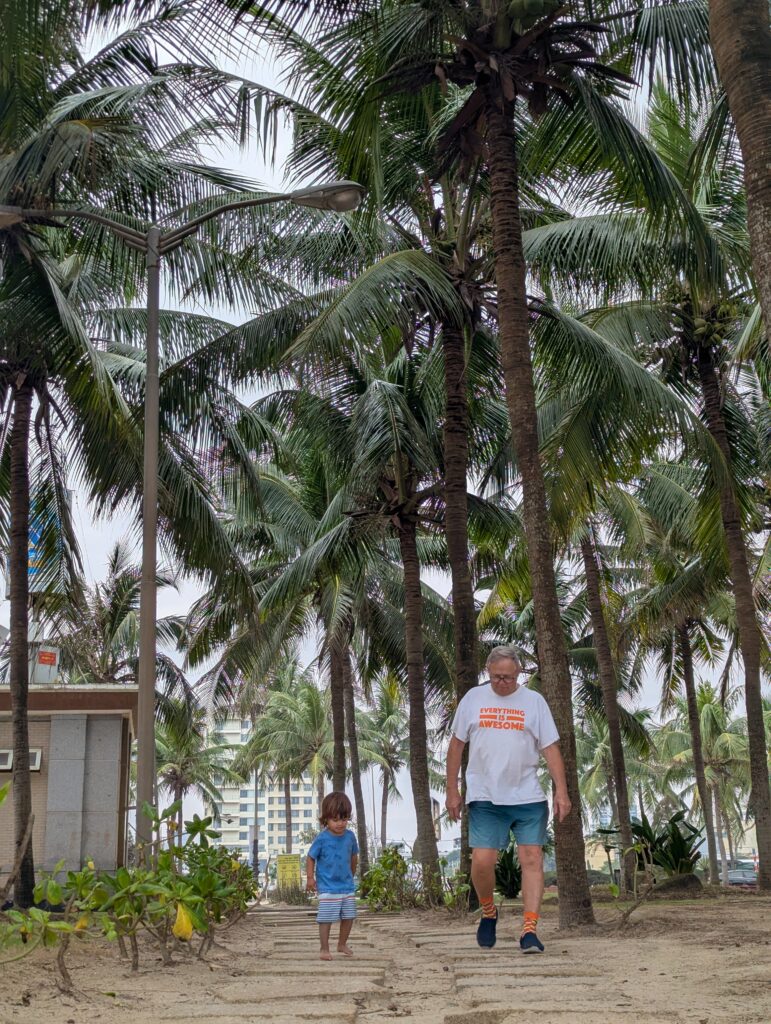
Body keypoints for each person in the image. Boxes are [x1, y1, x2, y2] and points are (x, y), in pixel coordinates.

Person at [445, 645, 571, 954]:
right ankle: (489, 911)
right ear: (488, 673)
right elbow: (456, 745)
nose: (503, 683)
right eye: (497, 677)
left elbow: (550, 748)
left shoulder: (534, 702)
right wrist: (452, 790)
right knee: (482, 861)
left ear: (519, 674)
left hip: (527, 795)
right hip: (485, 795)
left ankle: (529, 931)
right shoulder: (473, 699)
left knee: (532, 858)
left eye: (509, 678)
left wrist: (562, 791)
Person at [306, 791, 359, 961]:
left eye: (344, 819)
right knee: (326, 918)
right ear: (326, 819)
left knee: (349, 916)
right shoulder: (322, 838)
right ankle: (324, 948)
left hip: (346, 885)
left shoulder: (350, 837)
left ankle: (342, 944)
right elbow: (310, 857)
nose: (340, 824)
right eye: (335, 820)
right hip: (328, 886)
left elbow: (354, 857)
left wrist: (351, 874)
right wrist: (310, 878)